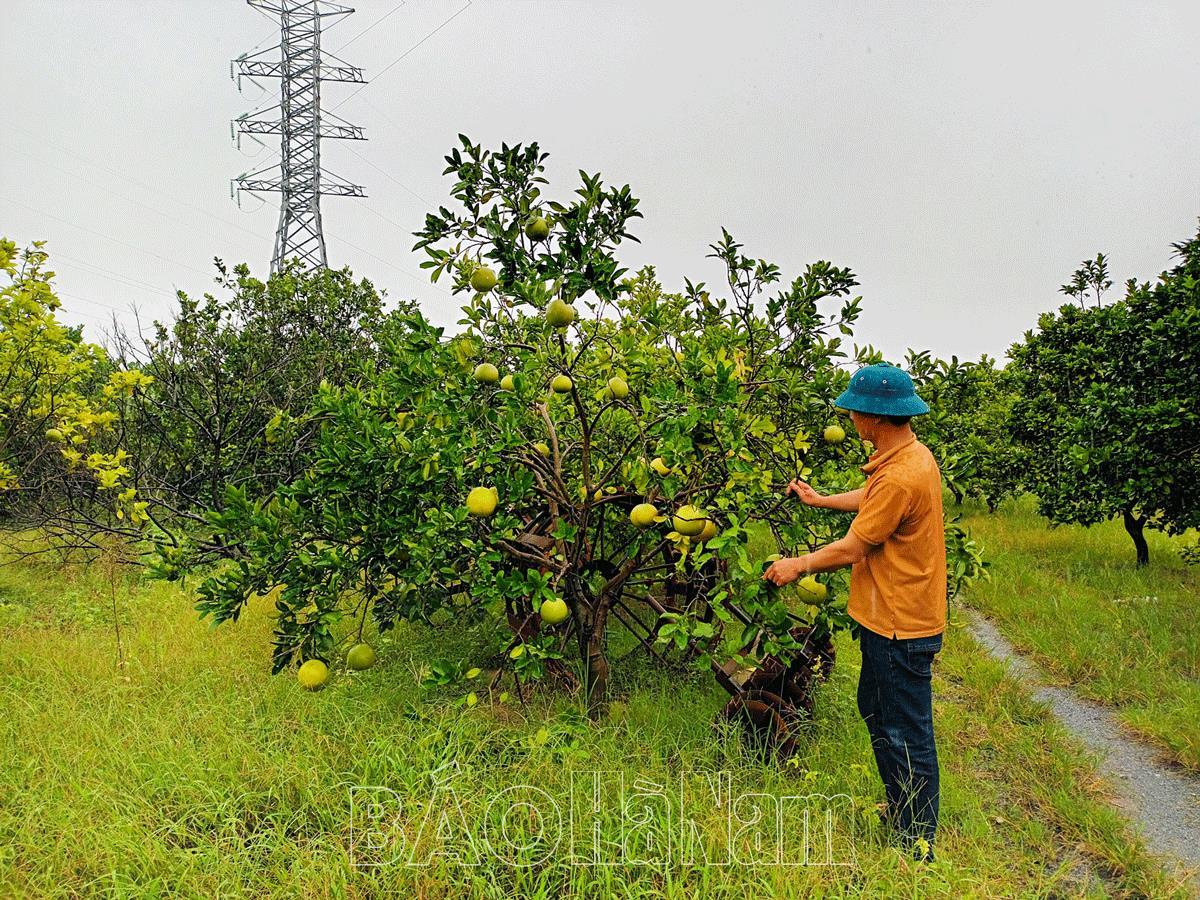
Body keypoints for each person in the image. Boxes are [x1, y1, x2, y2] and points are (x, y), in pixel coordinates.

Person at [763, 362, 947, 858]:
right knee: (878, 709)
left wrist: (799, 564)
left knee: (905, 730)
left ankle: (917, 842)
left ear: (875, 417)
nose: (850, 418)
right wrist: (820, 501)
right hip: (893, 617)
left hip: (899, 626)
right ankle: (903, 808)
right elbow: (873, 498)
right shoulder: (911, 457)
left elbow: (854, 548)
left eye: (854, 411)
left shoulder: (901, 475)